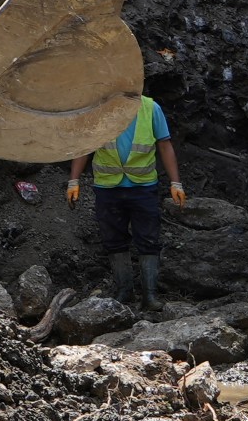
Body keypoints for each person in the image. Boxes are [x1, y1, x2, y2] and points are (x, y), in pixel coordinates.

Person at [37, 91, 185, 310]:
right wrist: (73, 180)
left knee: (148, 239)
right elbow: (85, 147)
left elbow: (165, 144)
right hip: (108, 187)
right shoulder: (99, 110)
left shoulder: (150, 108)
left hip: (143, 187)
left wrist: (175, 182)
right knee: (113, 238)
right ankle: (124, 291)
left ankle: (149, 296)